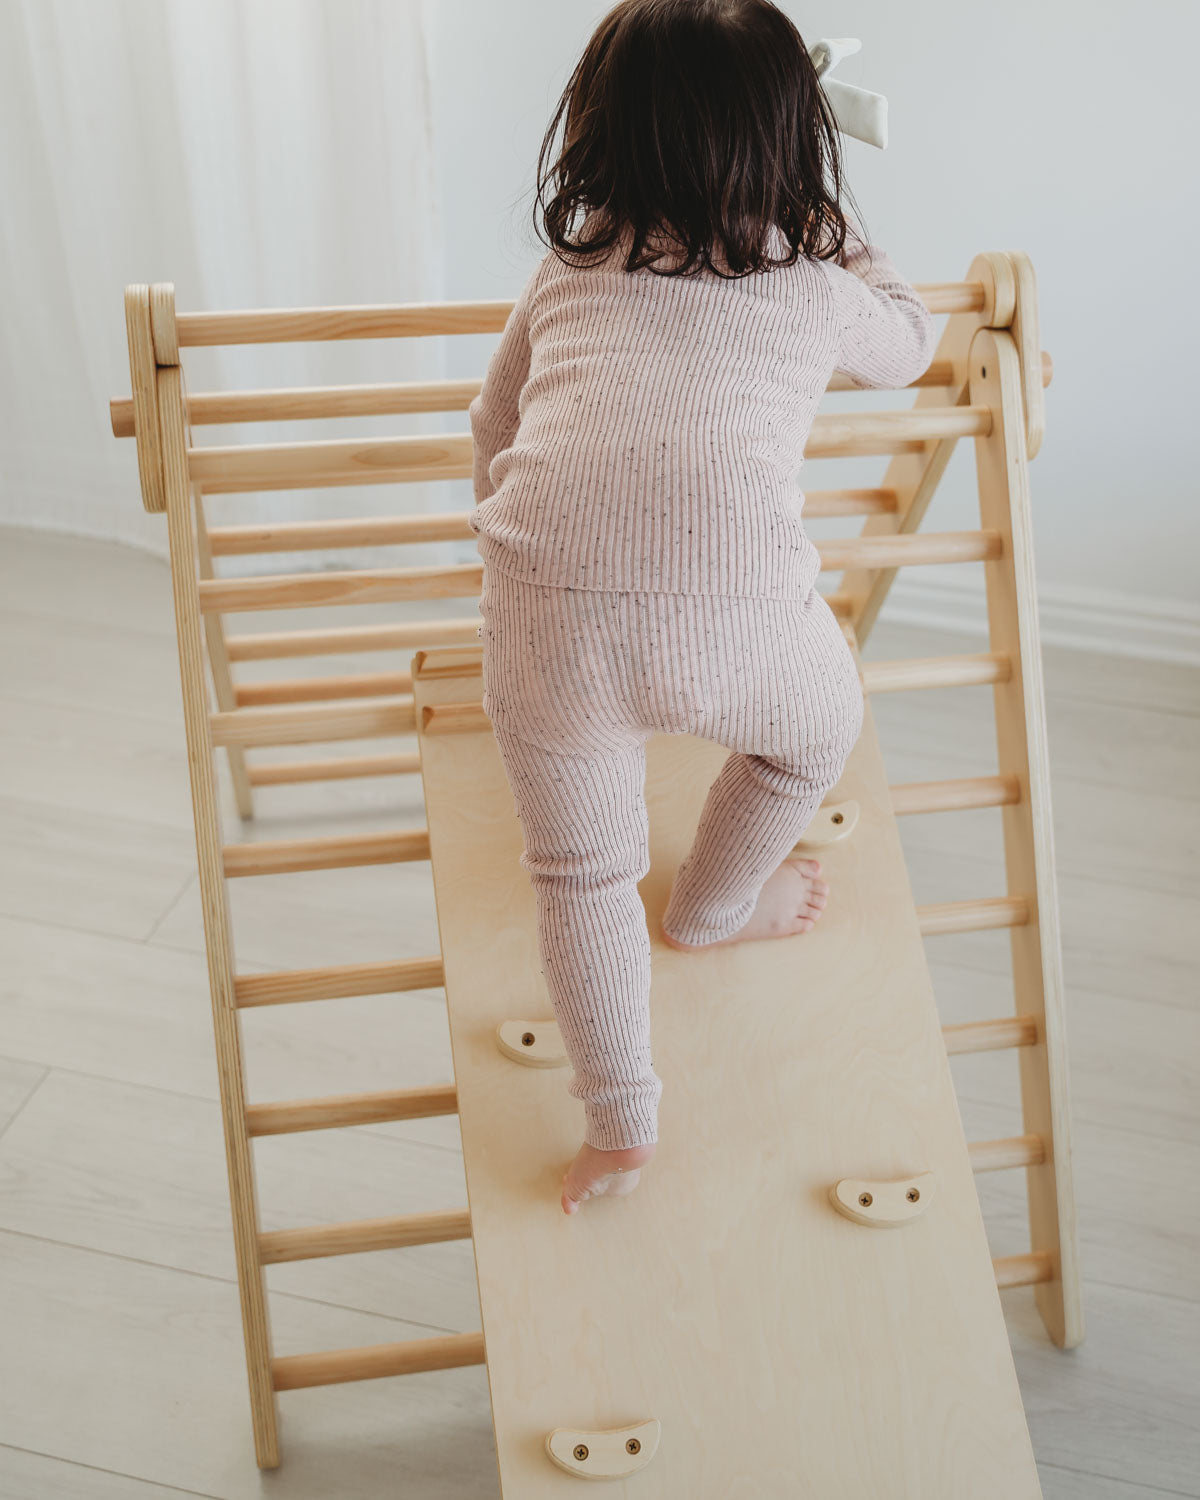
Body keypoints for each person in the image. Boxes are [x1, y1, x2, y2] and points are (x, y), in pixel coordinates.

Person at [467, 0, 936, 1215]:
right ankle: (718, 908)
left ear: (597, 128)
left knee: (579, 877)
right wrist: (840, 234)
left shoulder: (570, 263)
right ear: (796, 142)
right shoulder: (809, 278)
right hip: (742, 617)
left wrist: (517, 578)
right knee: (812, 734)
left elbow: (493, 427)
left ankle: (620, 1127)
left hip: (543, 615)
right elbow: (913, 345)